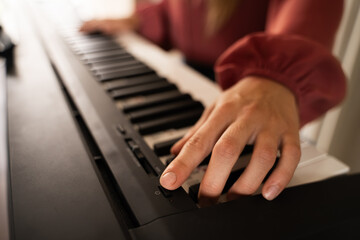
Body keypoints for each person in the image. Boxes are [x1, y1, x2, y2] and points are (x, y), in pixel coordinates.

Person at [80, 0, 346, 206]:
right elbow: (186, 15)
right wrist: (141, 20)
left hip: (251, 91)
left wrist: (276, 76)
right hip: (189, 80)